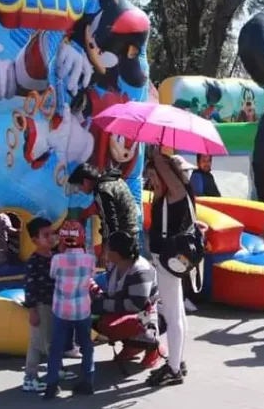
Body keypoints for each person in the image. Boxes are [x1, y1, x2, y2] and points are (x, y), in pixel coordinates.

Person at [144, 150, 195, 387]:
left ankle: (174, 368)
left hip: (168, 261)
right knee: (178, 312)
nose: (152, 179)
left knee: (173, 315)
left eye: (155, 174)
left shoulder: (177, 193)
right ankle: (177, 360)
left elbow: (167, 174)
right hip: (168, 259)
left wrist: (157, 153)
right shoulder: (170, 195)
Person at [93, 231, 164, 368]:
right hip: (128, 307)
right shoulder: (115, 265)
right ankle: (132, 346)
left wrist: (102, 305)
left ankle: (154, 346)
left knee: (118, 322)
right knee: (95, 318)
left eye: (109, 248)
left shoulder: (141, 271)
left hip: (151, 312)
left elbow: (135, 305)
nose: (105, 251)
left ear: (117, 253)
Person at [44, 220, 96, 399]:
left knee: (56, 347)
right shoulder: (90, 259)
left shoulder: (56, 259)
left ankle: (51, 385)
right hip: (82, 310)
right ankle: (87, 381)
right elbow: (91, 277)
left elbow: (52, 275)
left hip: (61, 309)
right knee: (87, 346)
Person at [21, 217, 56, 393]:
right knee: (36, 341)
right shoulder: (33, 262)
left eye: (52, 233)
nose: (51, 237)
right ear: (35, 240)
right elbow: (29, 287)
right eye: (46, 235)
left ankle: (56, 369)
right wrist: (33, 310)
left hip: (54, 304)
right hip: (41, 305)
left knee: (52, 339)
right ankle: (30, 376)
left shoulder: (55, 257)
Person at [69, 162, 140, 246]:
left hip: (126, 233)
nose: (80, 190)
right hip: (132, 228)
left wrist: (105, 251)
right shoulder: (109, 180)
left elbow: (110, 224)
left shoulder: (102, 190)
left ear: (85, 181)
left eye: (79, 187)